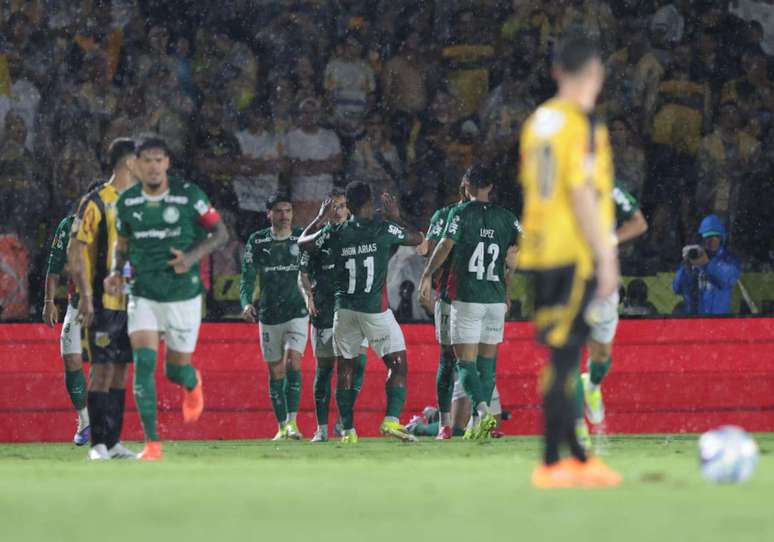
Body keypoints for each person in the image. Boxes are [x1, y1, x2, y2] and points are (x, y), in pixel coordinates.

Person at [518, 35, 622, 488]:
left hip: (540, 250)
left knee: (564, 351)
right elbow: (580, 190)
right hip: (570, 250)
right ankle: (552, 461)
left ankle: (574, 458)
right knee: (564, 357)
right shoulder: (581, 125)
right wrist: (606, 253)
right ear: (593, 75)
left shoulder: (537, 122)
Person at [104, 137, 229, 461]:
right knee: (143, 364)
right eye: (147, 160)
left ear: (168, 163)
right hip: (143, 294)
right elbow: (122, 244)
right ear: (137, 164)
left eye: (160, 160)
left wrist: (190, 258)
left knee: (175, 371)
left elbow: (220, 234)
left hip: (183, 296)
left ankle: (191, 382)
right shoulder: (128, 202)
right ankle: (152, 444)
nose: (154, 166)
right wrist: (116, 271)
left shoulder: (188, 196)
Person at [299, 182, 424, 443]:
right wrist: (396, 216)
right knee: (397, 364)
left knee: (345, 366)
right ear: (369, 202)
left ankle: (348, 430)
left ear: (350, 206)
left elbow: (303, 243)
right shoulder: (382, 227)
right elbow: (418, 239)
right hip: (374, 310)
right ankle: (391, 419)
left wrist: (320, 218)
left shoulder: (337, 231)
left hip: (343, 309)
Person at [419, 163, 520, 440]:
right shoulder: (507, 218)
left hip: (466, 298)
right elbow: (516, 252)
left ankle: (482, 412)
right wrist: (509, 282)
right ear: (490, 187)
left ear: (467, 185)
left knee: (464, 363)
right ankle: (467, 424)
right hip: (494, 299)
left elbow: (443, 246)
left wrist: (426, 275)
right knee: (485, 366)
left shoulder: (459, 214)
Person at [68, 139, 139, 461]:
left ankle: (113, 442)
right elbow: (76, 247)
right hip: (101, 300)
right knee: (102, 369)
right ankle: (97, 444)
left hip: (131, 303)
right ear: (127, 163)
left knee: (122, 369)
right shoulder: (95, 202)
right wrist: (85, 295)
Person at [576, 182, 648, 448]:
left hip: (604, 283)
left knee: (601, 356)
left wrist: (609, 240)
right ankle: (576, 426)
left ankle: (592, 386)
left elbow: (639, 223)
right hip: (570, 277)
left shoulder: (609, 189)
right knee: (568, 353)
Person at [298, 188, 367, 442]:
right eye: (334, 206)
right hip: (325, 310)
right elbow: (302, 272)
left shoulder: (359, 233)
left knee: (356, 365)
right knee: (325, 369)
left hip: (353, 310)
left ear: (349, 208)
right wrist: (308, 296)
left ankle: (344, 422)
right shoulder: (320, 238)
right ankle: (321, 428)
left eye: (342, 206)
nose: (338, 211)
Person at [240, 193, 309, 441]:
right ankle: (281, 426)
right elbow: (247, 276)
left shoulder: (301, 237)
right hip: (269, 314)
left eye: (288, 211)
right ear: (268, 213)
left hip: (297, 312)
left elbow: (311, 270)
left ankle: (293, 422)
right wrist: (246, 302)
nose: (284, 216)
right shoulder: (257, 241)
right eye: (279, 211)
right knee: (275, 372)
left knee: (293, 363)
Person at [416, 179, 469, 439]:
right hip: (450, 297)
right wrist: (427, 275)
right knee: (449, 358)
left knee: (479, 359)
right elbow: (431, 249)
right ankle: (446, 424)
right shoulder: (445, 215)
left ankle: (479, 421)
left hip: (480, 297)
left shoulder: (491, 216)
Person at [43, 212, 89, 446]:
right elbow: (54, 263)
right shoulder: (70, 224)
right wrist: (49, 302)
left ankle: (109, 423)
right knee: (70, 356)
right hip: (78, 302)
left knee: (111, 365)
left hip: (112, 302)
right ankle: (85, 419)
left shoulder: (118, 220)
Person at [672, 214, 741, 316]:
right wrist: (686, 268)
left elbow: (727, 280)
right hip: (694, 322)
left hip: (720, 322)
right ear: (701, 238)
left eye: (716, 236)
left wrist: (706, 264)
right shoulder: (694, 257)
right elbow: (677, 288)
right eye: (708, 236)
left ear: (722, 237)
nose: (712, 240)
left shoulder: (729, 260)